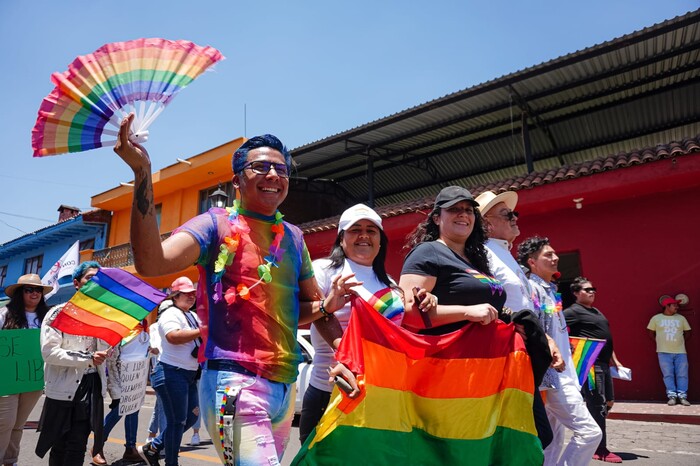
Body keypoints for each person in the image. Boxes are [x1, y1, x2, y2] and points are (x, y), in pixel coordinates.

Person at [114, 115, 355, 466]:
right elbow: (152, 262)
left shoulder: (294, 237)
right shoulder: (215, 224)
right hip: (234, 382)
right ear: (237, 180)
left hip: (286, 388)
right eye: (261, 167)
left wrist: (343, 354)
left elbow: (310, 308)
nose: (274, 175)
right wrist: (142, 174)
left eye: (282, 169)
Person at [299, 203, 416, 443]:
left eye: (371, 230)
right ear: (341, 239)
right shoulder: (323, 271)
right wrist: (327, 306)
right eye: (355, 230)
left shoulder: (390, 284)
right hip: (331, 391)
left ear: (380, 241)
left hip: (381, 394)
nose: (364, 235)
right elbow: (299, 314)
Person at [476, 190, 560, 450]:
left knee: (531, 435)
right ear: (487, 224)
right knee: (532, 434)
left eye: (514, 213)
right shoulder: (484, 254)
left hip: (523, 355)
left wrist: (545, 339)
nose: (515, 218)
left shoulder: (505, 254)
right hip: (504, 355)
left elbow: (524, 305)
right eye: (507, 214)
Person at [517, 237, 602, 466]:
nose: (555, 258)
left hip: (563, 373)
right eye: (548, 255)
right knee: (590, 433)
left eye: (555, 254)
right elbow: (534, 330)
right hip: (552, 376)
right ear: (532, 262)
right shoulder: (531, 289)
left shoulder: (550, 290)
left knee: (553, 441)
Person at [399, 186, 502, 335]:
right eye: (454, 209)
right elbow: (407, 312)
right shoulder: (427, 252)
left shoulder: (476, 260)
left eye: (469, 210)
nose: (463, 214)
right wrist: (466, 312)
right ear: (436, 218)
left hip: (487, 354)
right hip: (446, 356)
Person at [35, 261, 110, 466]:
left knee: (78, 445)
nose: (95, 282)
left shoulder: (103, 317)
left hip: (92, 386)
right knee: (59, 444)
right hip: (63, 388)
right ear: (77, 283)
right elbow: (49, 352)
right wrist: (87, 358)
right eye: (89, 277)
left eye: (98, 278)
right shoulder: (57, 313)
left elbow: (108, 356)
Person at [138, 277, 202, 466]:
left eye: (193, 294)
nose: (191, 297)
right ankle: (171, 462)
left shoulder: (191, 315)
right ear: (175, 296)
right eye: (187, 294)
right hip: (171, 374)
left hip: (189, 375)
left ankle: (153, 447)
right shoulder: (170, 313)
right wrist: (203, 331)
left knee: (191, 417)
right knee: (177, 422)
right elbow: (173, 337)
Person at [565, 277, 625, 463]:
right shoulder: (573, 312)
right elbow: (556, 328)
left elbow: (605, 339)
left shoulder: (596, 311)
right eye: (587, 289)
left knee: (608, 402)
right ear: (576, 293)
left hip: (605, 365)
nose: (592, 292)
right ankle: (599, 449)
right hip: (591, 366)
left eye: (593, 289)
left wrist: (616, 361)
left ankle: (596, 442)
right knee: (597, 404)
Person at [0, 274, 51, 466]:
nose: (34, 293)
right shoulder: (5, 314)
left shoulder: (47, 318)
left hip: (34, 379)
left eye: (38, 290)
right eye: (29, 290)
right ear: (20, 293)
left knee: (18, 424)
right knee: (4, 423)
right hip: (6, 381)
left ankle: (10, 461)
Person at [91, 320, 151, 465]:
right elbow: (111, 355)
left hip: (138, 372)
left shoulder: (145, 320)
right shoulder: (120, 317)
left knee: (134, 409)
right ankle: (98, 446)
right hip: (120, 372)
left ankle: (130, 448)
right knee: (119, 409)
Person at [647, 297, 691, 406]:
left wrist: (680, 342)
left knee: (682, 374)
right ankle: (672, 396)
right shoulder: (656, 318)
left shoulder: (681, 318)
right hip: (663, 352)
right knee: (668, 375)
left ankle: (682, 396)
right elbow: (651, 332)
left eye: (677, 305)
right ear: (667, 306)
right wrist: (660, 341)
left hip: (680, 352)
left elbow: (688, 332)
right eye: (674, 305)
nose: (677, 307)